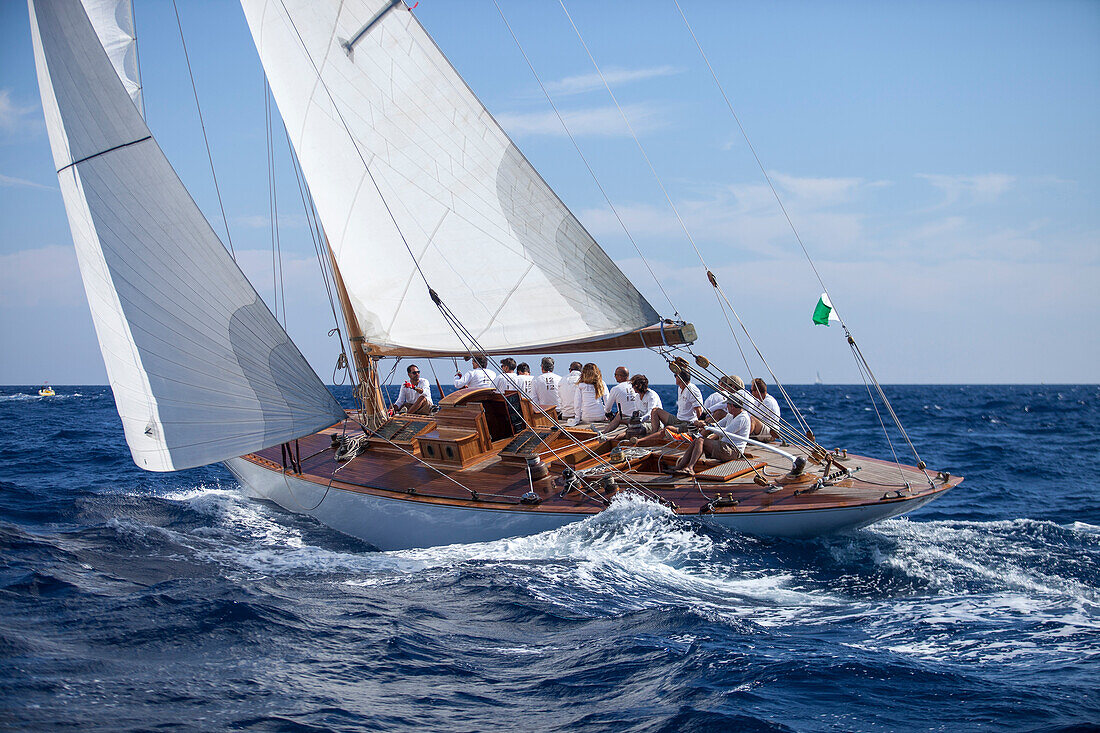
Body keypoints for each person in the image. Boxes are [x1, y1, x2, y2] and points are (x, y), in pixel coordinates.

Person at [670, 396, 751, 477]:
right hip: (726, 447)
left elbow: (726, 432)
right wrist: (705, 424)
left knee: (700, 440)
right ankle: (679, 467)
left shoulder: (742, 418)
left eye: (727, 405)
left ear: (732, 406)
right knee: (696, 441)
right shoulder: (730, 415)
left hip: (733, 451)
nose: (726, 407)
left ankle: (690, 468)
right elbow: (717, 425)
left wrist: (708, 427)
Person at [647, 368, 704, 435]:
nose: (675, 377)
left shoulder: (692, 389)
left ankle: (648, 439)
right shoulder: (680, 388)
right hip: (678, 420)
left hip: (687, 423)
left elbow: (699, 411)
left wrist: (696, 426)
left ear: (680, 377)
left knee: (668, 429)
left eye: (675, 375)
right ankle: (654, 433)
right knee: (655, 411)